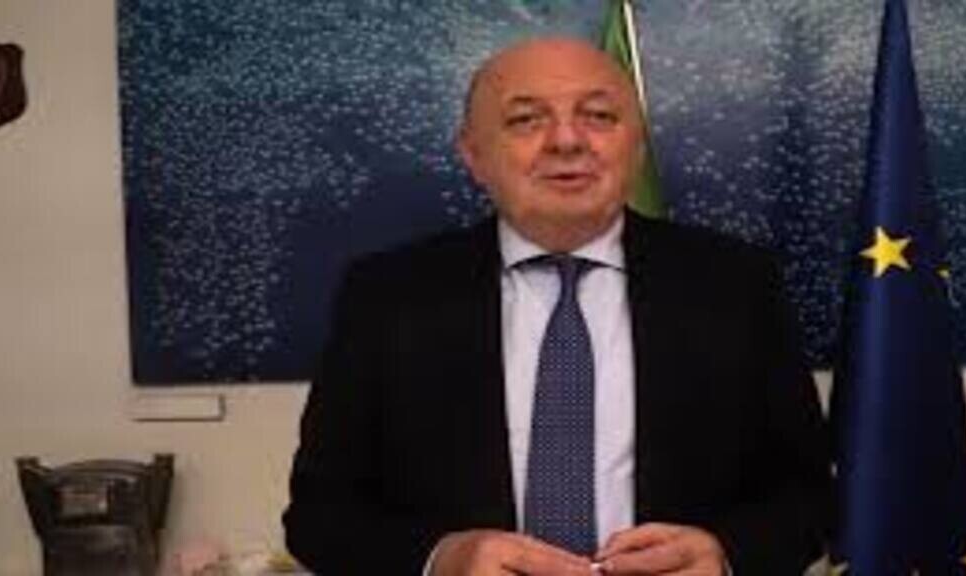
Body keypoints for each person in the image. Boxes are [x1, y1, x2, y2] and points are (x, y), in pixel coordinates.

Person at [283, 36, 831, 575]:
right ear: (474, 154)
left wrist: (724, 553)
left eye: (598, 116)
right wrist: (440, 559)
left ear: (636, 146)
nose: (567, 140)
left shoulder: (736, 285)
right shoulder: (388, 294)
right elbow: (320, 514)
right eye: (526, 120)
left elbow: (806, 496)